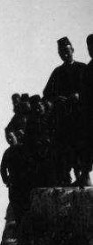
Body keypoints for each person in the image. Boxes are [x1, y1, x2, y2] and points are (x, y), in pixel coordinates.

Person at [43, 37, 87, 184]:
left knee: (81, 146)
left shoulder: (83, 68)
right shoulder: (58, 72)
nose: (65, 54)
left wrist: (79, 95)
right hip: (65, 117)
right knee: (67, 147)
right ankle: (70, 177)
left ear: (72, 50)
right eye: (62, 52)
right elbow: (47, 93)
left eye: (67, 51)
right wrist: (57, 99)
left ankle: (82, 176)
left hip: (80, 116)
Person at [0, 130, 32, 223]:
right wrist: (6, 181)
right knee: (17, 209)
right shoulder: (9, 152)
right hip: (15, 184)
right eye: (8, 138)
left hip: (23, 184)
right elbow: (2, 169)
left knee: (24, 208)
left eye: (11, 137)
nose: (9, 139)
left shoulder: (23, 150)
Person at [78, 34, 93, 186]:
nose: (91, 50)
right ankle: (85, 174)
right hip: (89, 113)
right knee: (87, 143)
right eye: (89, 48)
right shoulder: (88, 69)